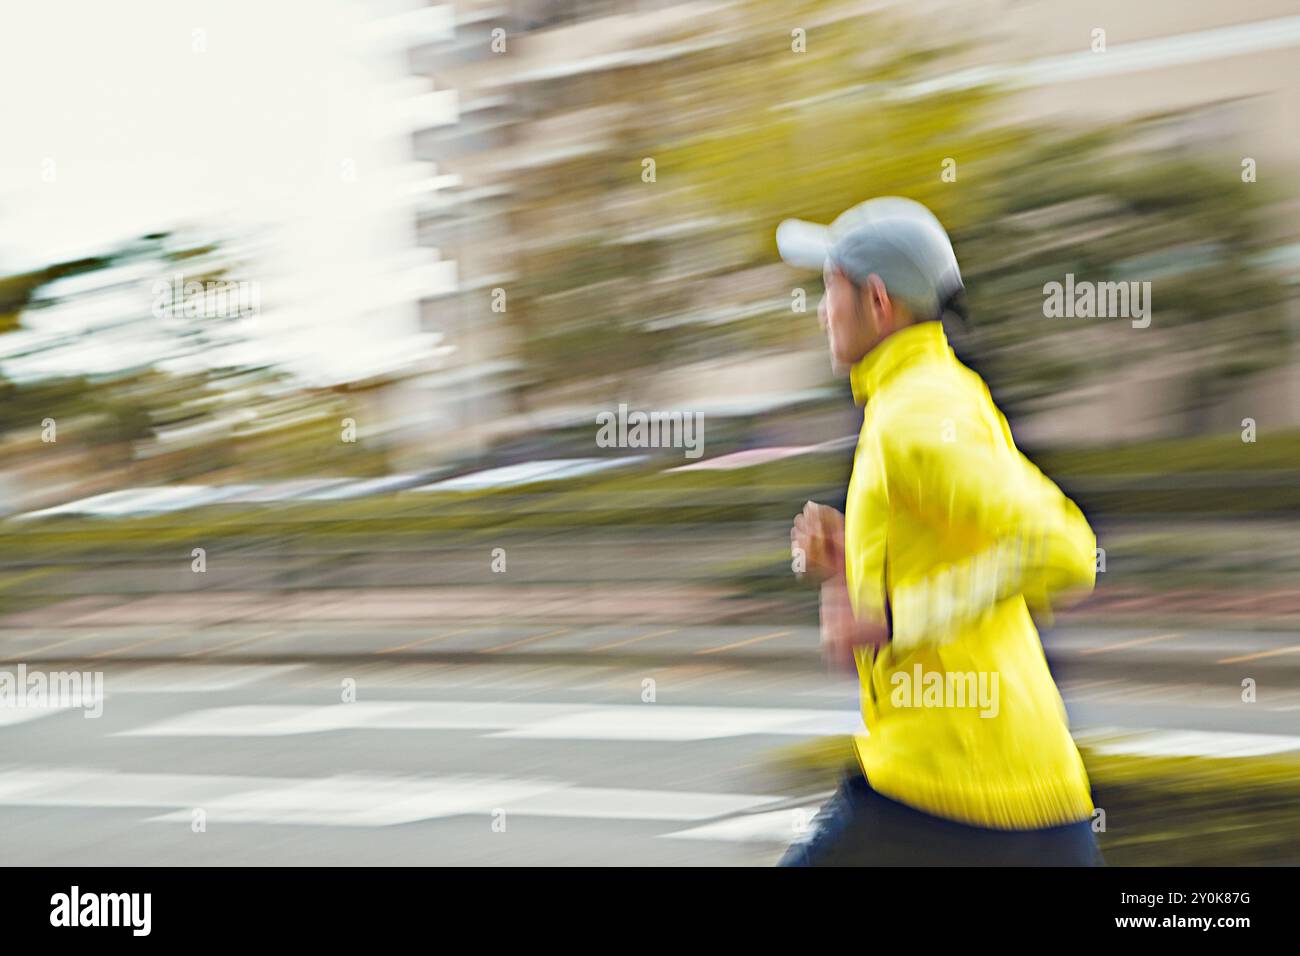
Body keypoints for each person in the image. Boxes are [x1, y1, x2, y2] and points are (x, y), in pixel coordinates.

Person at [776, 197, 1102, 866]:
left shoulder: (916, 413)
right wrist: (846, 571)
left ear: (876, 299)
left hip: (945, 796)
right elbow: (886, 619)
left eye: (828, 289)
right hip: (1017, 793)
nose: (819, 310)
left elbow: (1064, 550)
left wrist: (899, 617)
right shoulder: (932, 393)